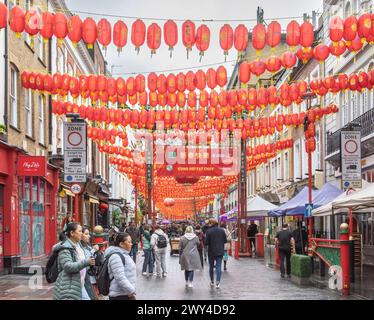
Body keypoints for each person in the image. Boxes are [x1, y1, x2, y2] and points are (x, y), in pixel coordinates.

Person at [53, 222, 95, 300]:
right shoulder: (65, 248)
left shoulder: (78, 244)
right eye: (79, 231)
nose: (81, 234)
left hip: (79, 284)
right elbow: (67, 266)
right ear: (72, 233)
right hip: (69, 287)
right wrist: (86, 262)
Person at [104, 232, 137, 300]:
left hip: (126, 294)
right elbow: (120, 277)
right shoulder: (116, 256)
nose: (131, 244)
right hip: (119, 295)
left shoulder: (125, 254)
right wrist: (131, 290)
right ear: (121, 244)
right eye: (129, 242)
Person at [205, 219, 227, 289]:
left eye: (209, 223)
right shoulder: (222, 230)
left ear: (211, 223)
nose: (208, 224)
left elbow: (206, 242)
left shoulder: (208, 231)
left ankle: (212, 281)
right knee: (218, 267)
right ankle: (218, 283)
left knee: (211, 267)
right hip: (220, 251)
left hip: (211, 251)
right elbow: (225, 241)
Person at [80, 226, 101, 300]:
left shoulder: (88, 247)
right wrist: (93, 251)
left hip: (92, 278)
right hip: (85, 279)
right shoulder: (79, 248)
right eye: (86, 234)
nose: (89, 236)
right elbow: (84, 261)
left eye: (89, 234)